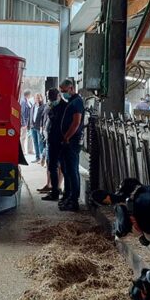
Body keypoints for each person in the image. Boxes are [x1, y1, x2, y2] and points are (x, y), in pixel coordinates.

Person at [58, 79, 84, 212]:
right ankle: (68, 195)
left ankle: (74, 200)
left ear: (71, 88)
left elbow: (76, 122)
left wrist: (67, 137)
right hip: (67, 141)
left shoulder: (77, 102)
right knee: (67, 170)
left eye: (64, 91)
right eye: (61, 91)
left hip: (72, 142)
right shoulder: (71, 102)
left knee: (72, 171)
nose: (63, 93)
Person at [41, 88, 67, 201]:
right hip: (52, 140)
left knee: (63, 167)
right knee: (52, 167)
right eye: (49, 99)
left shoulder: (64, 107)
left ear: (58, 96)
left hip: (60, 141)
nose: (51, 101)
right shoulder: (53, 106)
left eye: (52, 98)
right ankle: (54, 191)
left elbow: (58, 122)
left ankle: (63, 192)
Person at [30, 93, 46, 163]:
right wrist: (29, 125)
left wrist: (42, 127)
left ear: (41, 98)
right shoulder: (33, 106)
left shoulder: (43, 107)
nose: (36, 99)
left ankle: (42, 158)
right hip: (32, 126)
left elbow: (44, 118)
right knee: (35, 142)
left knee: (40, 143)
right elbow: (31, 116)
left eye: (38, 98)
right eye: (35, 98)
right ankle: (37, 157)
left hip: (39, 127)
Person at [19, 90, 32, 155]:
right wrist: (24, 123)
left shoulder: (26, 101)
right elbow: (22, 113)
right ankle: (22, 151)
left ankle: (26, 150)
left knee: (26, 137)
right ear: (28, 95)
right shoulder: (23, 101)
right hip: (24, 123)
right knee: (23, 137)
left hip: (27, 122)